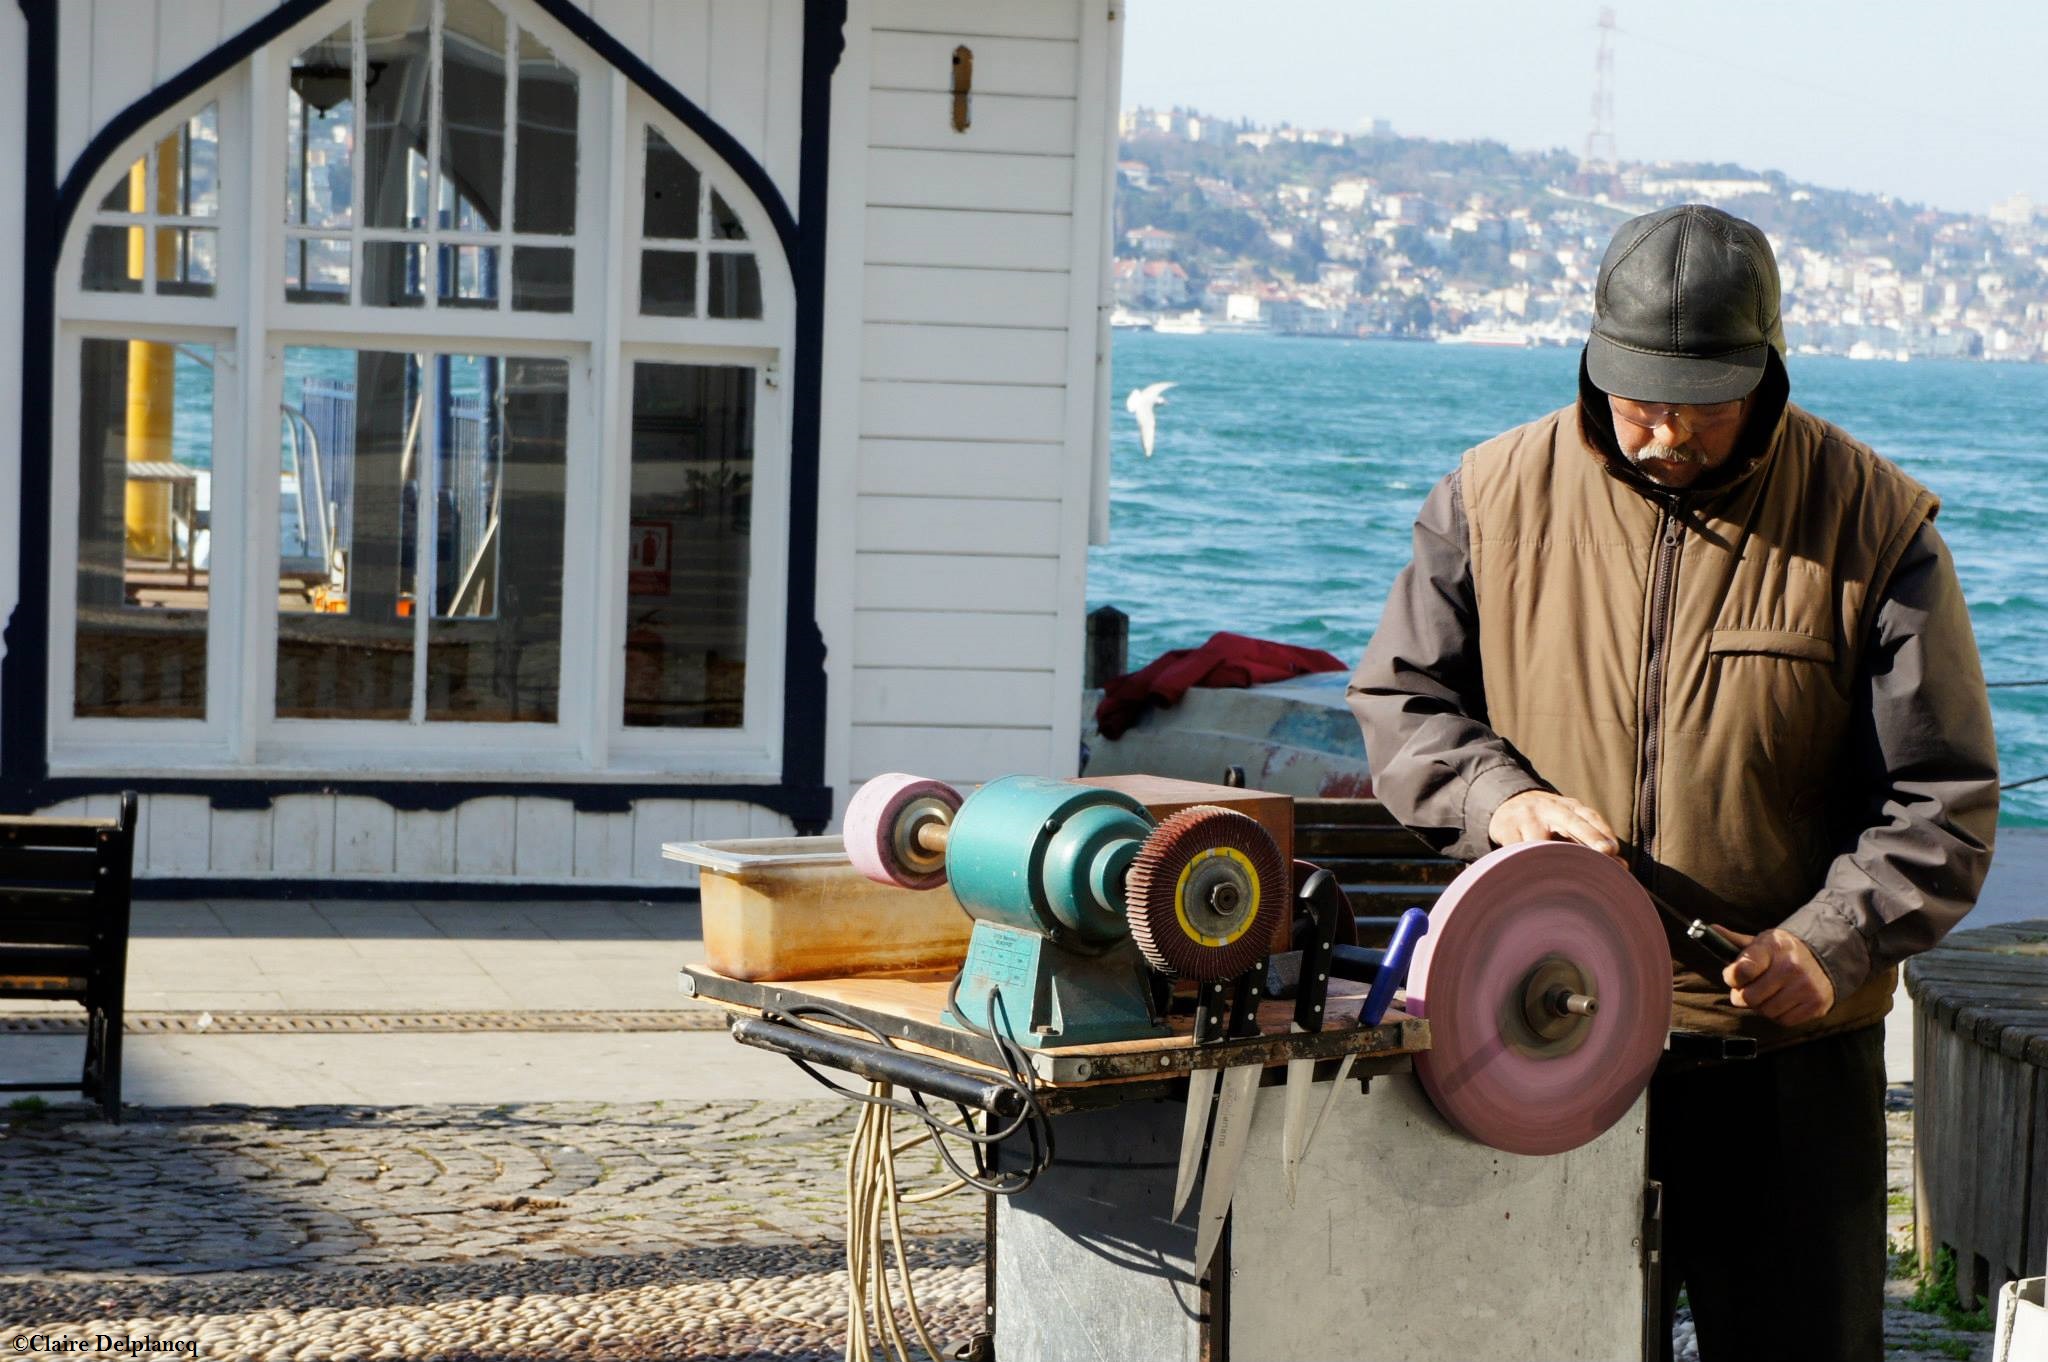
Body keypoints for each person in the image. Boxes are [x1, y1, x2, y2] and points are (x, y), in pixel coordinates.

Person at [1347, 203, 1999, 1361]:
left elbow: (1940, 797)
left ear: (1765, 373)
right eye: (1639, 400)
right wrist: (1496, 799)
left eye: (1699, 408)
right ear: (1595, 361)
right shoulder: (1487, 495)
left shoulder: (1875, 522)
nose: (1661, 436)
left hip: (1785, 1062)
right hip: (1538, 1032)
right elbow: (1404, 706)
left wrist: (1829, 941)